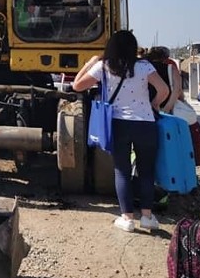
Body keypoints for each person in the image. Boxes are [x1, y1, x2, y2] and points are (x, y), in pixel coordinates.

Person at [72, 30, 169, 233]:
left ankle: (127, 219)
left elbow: (77, 85)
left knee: (122, 171)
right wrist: (154, 104)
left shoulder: (103, 66)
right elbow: (164, 90)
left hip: (118, 124)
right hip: (145, 123)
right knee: (146, 171)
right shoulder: (144, 66)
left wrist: (89, 63)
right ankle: (147, 217)